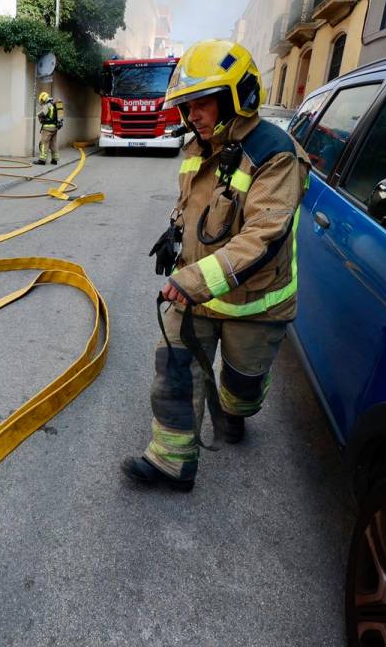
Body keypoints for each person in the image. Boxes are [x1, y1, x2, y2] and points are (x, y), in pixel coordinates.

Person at [123, 40, 310, 492]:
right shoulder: (197, 147)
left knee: (240, 389)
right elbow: (193, 206)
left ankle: (237, 409)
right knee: (173, 369)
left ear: (237, 96)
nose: (193, 116)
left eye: (202, 103)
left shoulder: (276, 154)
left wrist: (191, 279)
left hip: (254, 305)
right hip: (196, 299)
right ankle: (172, 462)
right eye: (187, 106)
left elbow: (262, 236)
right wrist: (174, 236)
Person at [33, 91, 63, 165]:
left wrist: (38, 115)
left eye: (42, 101)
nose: (42, 103)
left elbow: (43, 113)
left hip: (47, 128)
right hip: (54, 128)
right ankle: (54, 160)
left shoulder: (48, 105)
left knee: (44, 143)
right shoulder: (54, 105)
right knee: (53, 144)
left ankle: (42, 160)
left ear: (44, 99)